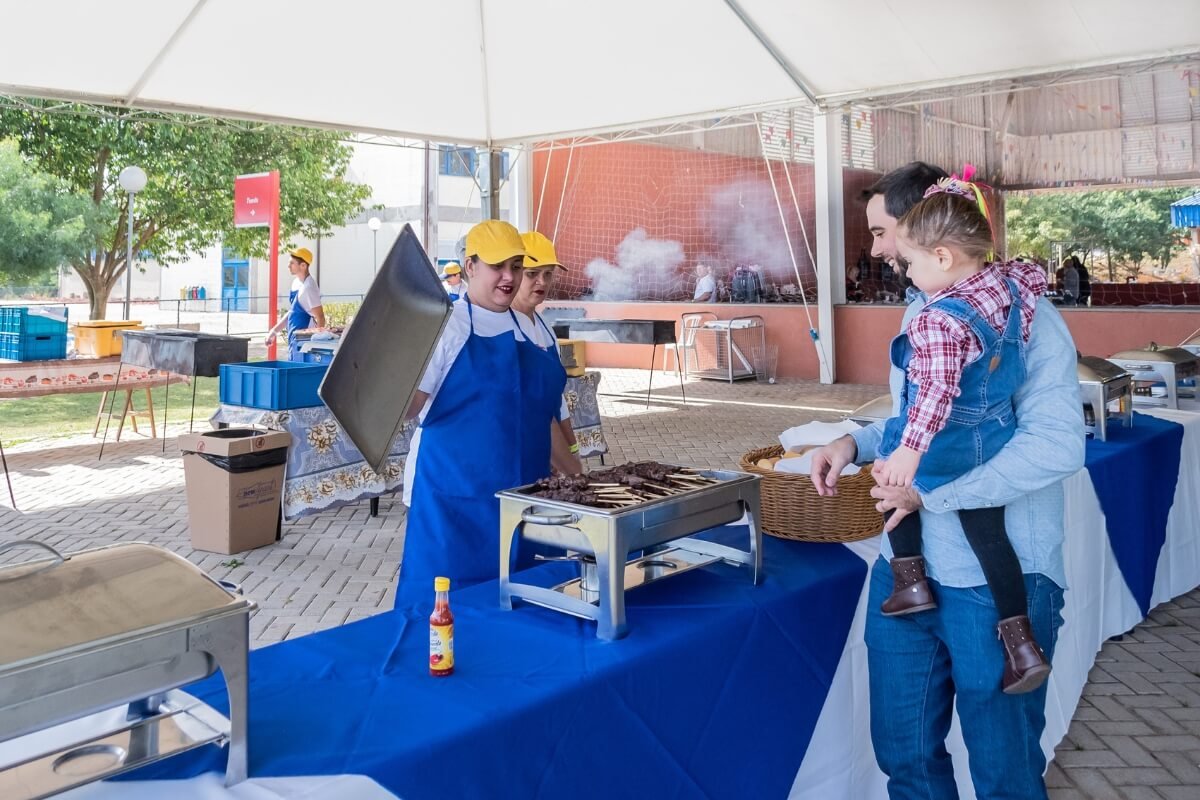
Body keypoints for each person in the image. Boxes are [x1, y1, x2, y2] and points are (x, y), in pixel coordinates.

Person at [810, 161, 1083, 799]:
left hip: (995, 580)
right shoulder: (922, 308)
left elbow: (1057, 445)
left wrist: (927, 494)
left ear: (929, 235)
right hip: (907, 571)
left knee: (1004, 773)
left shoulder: (1027, 320)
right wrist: (854, 442)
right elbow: (921, 417)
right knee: (905, 757)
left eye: (882, 233)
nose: (878, 250)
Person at [871, 175, 1051, 694]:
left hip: (944, 440)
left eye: (912, 262)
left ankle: (910, 580)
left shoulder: (938, 320)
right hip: (992, 435)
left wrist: (908, 452)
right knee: (991, 539)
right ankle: (1021, 644)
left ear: (944, 257)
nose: (908, 273)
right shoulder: (1008, 285)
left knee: (887, 475)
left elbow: (934, 394)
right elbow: (1033, 274)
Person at [397, 220, 564, 607]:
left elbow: (545, 416)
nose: (509, 277)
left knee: (522, 608)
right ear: (470, 266)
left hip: (523, 501)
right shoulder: (445, 325)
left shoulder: (533, 330)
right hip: (455, 503)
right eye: (497, 266)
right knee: (446, 611)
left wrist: (573, 472)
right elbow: (408, 408)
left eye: (516, 266)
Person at [513, 231, 583, 476]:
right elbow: (531, 406)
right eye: (532, 274)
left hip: (545, 450)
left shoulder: (544, 326)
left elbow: (556, 400)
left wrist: (572, 448)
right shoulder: (504, 326)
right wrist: (571, 467)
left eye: (548, 273)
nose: (542, 282)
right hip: (517, 448)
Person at [265, 247, 325, 356]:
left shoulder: (309, 288)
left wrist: (316, 345)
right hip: (294, 341)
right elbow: (292, 312)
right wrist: (273, 331)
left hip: (304, 345)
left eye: (292, 263)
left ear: (303, 266)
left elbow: (320, 317)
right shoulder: (296, 283)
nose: (288, 266)